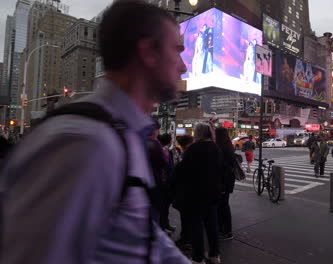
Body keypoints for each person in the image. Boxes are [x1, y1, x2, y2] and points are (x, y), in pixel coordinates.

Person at [0, 1, 189, 263]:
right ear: (148, 52)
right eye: (176, 50)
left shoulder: (125, 133)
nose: (183, 66)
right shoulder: (83, 144)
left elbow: (141, 238)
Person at [174, 123, 223, 264]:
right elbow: (221, 169)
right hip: (213, 192)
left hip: (196, 192)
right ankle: (214, 255)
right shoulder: (216, 148)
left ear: (199, 133)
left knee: (196, 225)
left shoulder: (194, 148)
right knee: (212, 224)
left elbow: (182, 170)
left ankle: (198, 257)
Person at [215, 127, 236, 241]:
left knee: (223, 206)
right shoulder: (228, 146)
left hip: (223, 182)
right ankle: (223, 229)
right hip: (226, 181)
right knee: (223, 205)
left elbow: (224, 166)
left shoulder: (223, 148)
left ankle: (227, 231)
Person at [157, 133, 177, 233]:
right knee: (163, 206)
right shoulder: (165, 151)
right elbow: (168, 167)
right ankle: (162, 226)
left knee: (165, 206)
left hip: (166, 181)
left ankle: (165, 224)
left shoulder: (166, 150)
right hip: (165, 182)